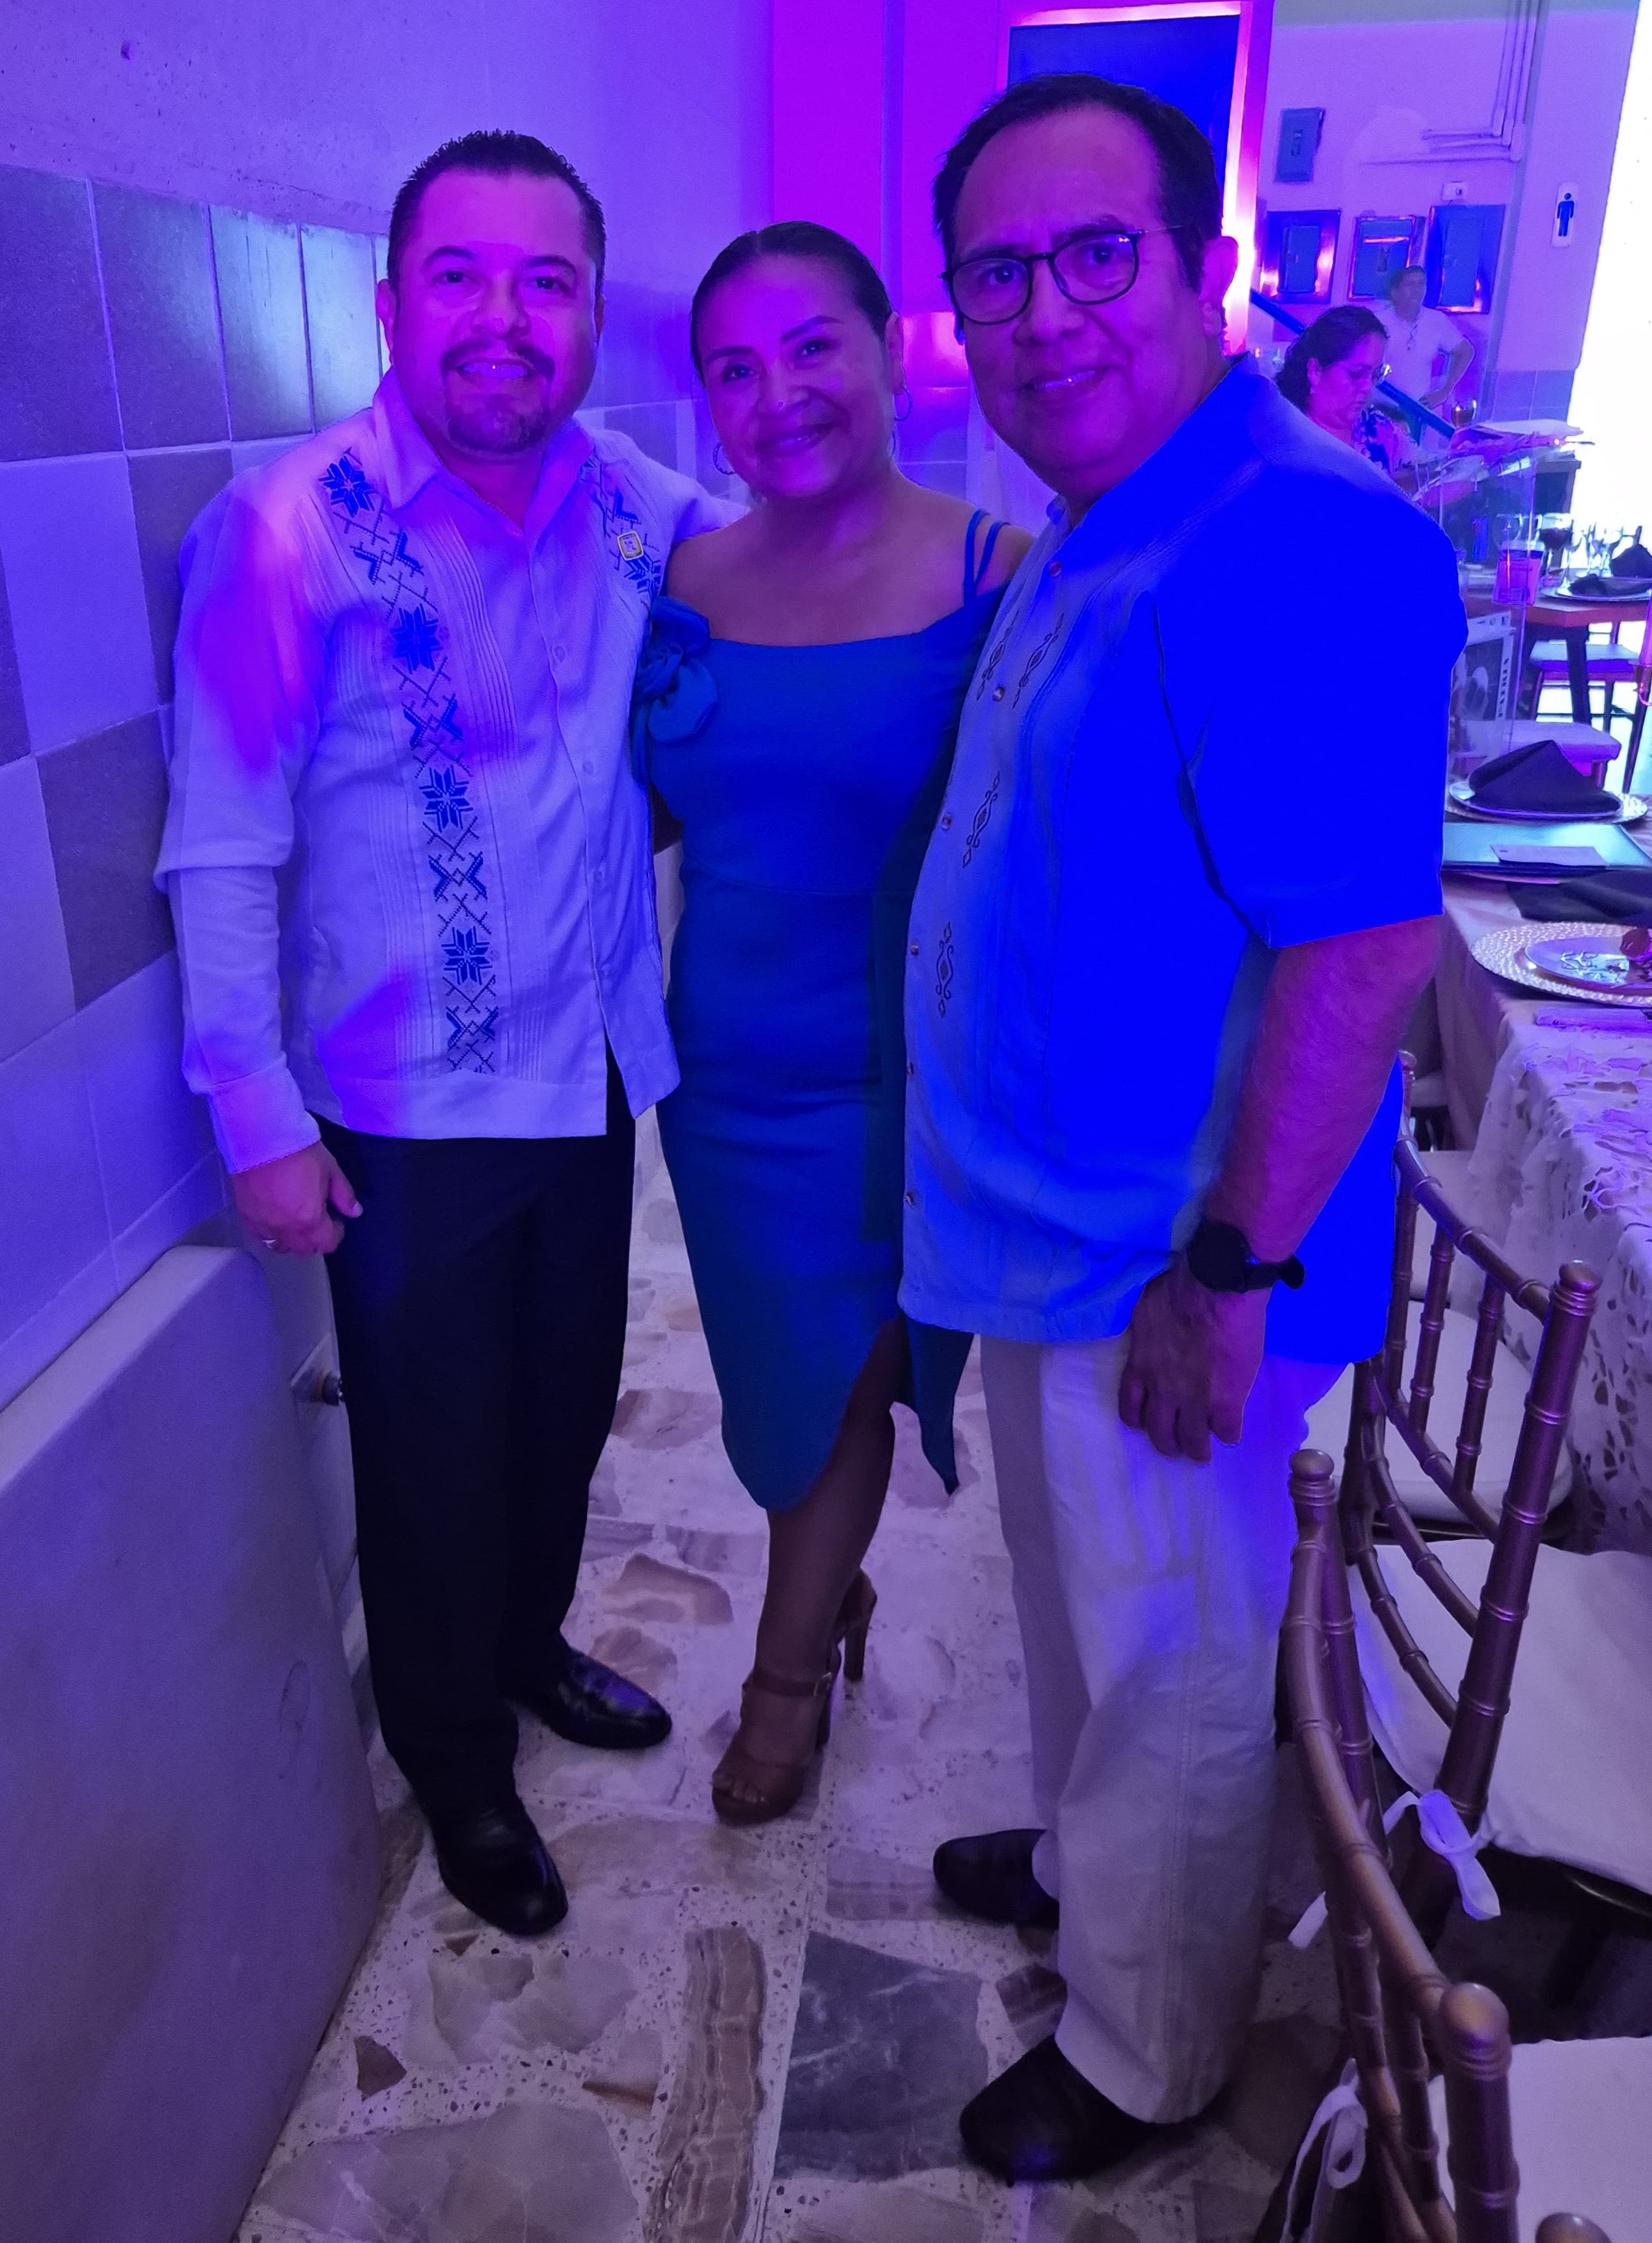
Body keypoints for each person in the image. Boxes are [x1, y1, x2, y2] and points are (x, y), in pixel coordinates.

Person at [903, 74, 1465, 2181]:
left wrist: (1225, 1268)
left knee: (1173, 1648)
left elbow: (1360, 948)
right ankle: (1089, 1873)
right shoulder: (1105, 511)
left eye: (1092, 255)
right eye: (994, 274)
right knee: (1079, 1607)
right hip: (1061, 1223)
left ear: (1206, 271)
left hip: (1179, 1247)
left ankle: (1143, 2047)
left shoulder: (1294, 535)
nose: (1041, 311)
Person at [158, 131, 734, 1939]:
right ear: (388, 301)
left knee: (562, 1408)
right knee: (428, 1451)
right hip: (399, 1107)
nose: (506, 317)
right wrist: (255, 1112)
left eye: (547, 281)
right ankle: (454, 1751)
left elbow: (787, 583)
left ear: (590, 312)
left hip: (591, 1068)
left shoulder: (637, 501)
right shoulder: (280, 530)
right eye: (463, 276)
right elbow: (222, 844)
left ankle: (526, 1642)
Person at [630, 223, 1029, 1823]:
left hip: (885, 1084)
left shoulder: (993, 574)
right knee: (773, 1383)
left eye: (810, 347)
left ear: (890, 353)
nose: (775, 392)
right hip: (719, 1081)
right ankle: (829, 1582)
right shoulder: (684, 580)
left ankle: (783, 1678)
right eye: (732, 368)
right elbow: (662, 809)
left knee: (847, 1377)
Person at [1276, 304, 1411, 476]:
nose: (1367, 387)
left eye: (1376, 375)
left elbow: (1430, 474)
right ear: (1315, 371)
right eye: (1356, 373)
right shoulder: (1285, 439)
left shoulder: (1380, 430)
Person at [1375, 264, 1472, 422]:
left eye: (1421, 284)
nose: (1417, 290)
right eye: (1410, 284)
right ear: (1395, 292)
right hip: (1382, 412)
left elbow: (1465, 351)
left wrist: (1445, 391)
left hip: (1420, 414)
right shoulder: (1377, 322)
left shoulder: (1436, 320)